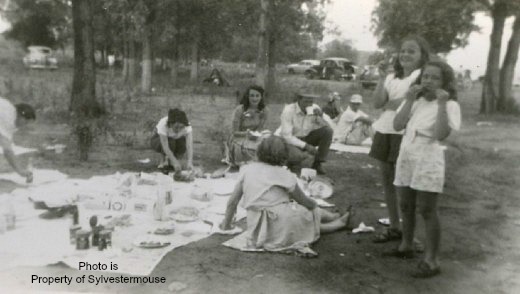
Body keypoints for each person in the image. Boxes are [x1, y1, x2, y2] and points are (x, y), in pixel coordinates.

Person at [385, 61, 461, 278]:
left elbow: (439, 134)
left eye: (434, 78)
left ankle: (432, 260)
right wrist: (409, 99)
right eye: (425, 76)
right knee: (406, 204)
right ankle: (406, 245)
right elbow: (398, 125)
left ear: (445, 83)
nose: (428, 81)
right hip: (408, 151)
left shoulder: (450, 105)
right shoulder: (415, 101)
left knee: (427, 209)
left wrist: (441, 104)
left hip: (429, 155)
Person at [219, 135, 352, 256]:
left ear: (259, 151)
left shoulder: (247, 169)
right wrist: (313, 205)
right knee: (306, 214)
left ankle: (333, 217)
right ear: (283, 156)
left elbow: (232, 202)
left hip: (257, 228)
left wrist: (226, 224)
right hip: (280, 223)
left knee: (302, 214)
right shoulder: (284, 175)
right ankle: (337, 223)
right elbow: (304, 201)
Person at [369, 35, 431, 243]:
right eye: (403, 50)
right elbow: (378, 103)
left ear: (422, 56)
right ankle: (394, 226)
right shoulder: (391, 77)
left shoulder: (421, 76)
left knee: (405, 184)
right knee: (387, 181)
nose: (405, 54)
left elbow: (407, 104)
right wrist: (380, 78)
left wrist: (393, 102)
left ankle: (410, 233)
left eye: (411, 51)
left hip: (404, 132)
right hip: (385, 130)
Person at [280, 92, 333, 175]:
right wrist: (306, 146)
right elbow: (287, 136)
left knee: (328, 131)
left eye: (311, 101)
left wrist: (322, 115)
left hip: (307, 137)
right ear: (299, 100)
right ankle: (289, 161)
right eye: (306, 101)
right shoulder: (289, 110)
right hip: (291, 140)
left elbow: (332, 126)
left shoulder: (315, 108)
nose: (309, 104)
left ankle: (317, 163)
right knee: (297, 157)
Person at [225, 85, 269, 167]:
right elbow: (234, 132)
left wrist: (256, 135)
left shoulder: (264, 110)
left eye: (257, 96)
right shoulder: (240, 110)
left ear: (261, 97)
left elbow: (260, 129)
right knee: (244, 148)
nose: (254, 99)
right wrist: (247, 134)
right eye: (252, 96)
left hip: (255, 138)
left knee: (268, 140)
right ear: (247, 97)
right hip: (239, 138)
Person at [0, 98, 35, 183]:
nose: (25, 126)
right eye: (26, 122)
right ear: (21, 115)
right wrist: (20, 171)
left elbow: (6, 144)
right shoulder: (8, 116)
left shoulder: (11, 114)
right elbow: (7, 150)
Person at [150, 108, 193, 172]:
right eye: (176, 127)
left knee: (182, 143)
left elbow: (189, 145)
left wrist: (189, 162)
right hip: (158, 140)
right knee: (171, 142)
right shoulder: (163, 123)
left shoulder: (187, 125)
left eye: (181, 127)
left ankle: (174, 161)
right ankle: (163, 161)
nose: (178, 130)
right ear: (171, 124)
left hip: (175, 139)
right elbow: (165, 146)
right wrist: (175, 161)